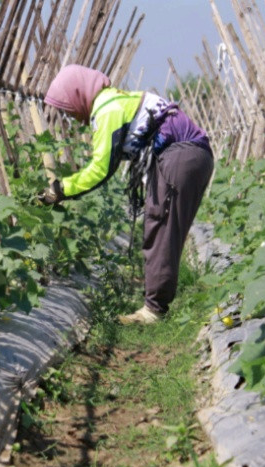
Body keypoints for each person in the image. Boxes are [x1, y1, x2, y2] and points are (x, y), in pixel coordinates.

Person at [37, 64, 214, 325]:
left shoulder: (108, 110)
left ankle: (153, 311)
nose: (71, 117)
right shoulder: (115, 100)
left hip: (181, 156)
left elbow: (100, 169)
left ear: (78, 94)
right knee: (161, 226)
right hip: (188, 155)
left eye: (68, 109)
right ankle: (156, 304)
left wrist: (60, 190)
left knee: (161, 227)